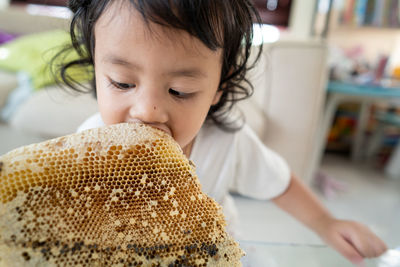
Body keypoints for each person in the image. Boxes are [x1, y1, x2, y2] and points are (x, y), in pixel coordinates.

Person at [57, 0, 387, 265]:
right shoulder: (91, 143)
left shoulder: (228, 141)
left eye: (180, 90)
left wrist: (327, 224)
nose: (146, 111)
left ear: (218, 87)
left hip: (213, 254)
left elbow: (280, 183)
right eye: (122, 82)